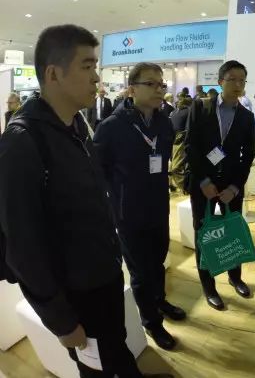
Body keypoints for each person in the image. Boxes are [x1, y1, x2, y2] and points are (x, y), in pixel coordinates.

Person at [0, 25, 171, 377]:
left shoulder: (77, 126)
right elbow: (21, 248)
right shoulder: (22, 142)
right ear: (53, 74)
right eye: (87, 66)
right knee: (95, 368)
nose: (96, 77)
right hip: (75, 292)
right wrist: (60, 320)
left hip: (104, 273)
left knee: (116, 346)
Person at [93, 63, 185, 351]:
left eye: (162, 84)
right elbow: (98, 172)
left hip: (158, 207)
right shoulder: (111, 127)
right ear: (132, 89)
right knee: (141, 272)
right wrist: (115, 201)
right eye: (151, 84)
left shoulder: (164, 122)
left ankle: (159, 301)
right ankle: (151, 322)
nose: (159, 89)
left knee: (158, 261)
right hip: (128, 213)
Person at [185, 60, 255, 311]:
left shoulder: (246, 116)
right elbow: (191, 146)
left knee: (232, 229)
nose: (238, 85)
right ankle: (208, 286)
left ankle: (235, 277)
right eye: (232, 79)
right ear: (220, 82)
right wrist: (203, 181)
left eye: (242, 80)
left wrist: (235, 187)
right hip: (203, 183)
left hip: (230, 186)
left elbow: (248, 155)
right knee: (203, 233)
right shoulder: (201, 107)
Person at [169, 96, 192, 192]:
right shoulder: (188, 112)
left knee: (174, 166)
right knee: (176, 167)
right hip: (180, 141)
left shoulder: (174, 112)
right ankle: (185, 186)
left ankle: (180, 185)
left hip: (174, 141)